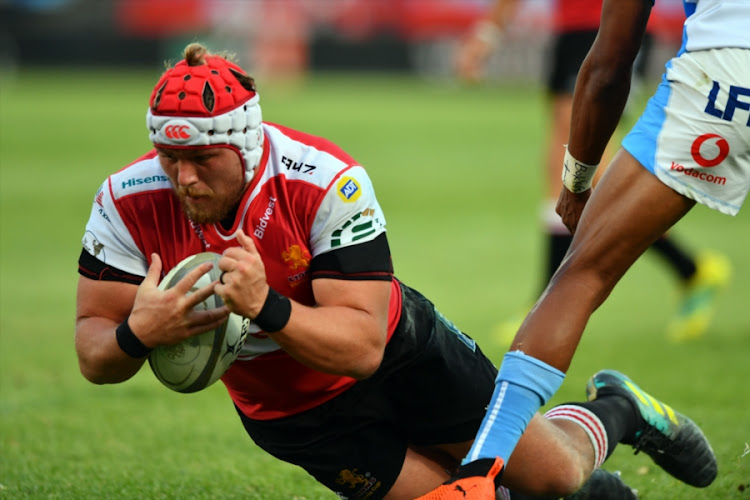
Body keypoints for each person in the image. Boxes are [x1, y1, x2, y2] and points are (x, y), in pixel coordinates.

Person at [75, 43, 717, 500]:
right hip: (295, 415)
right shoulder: (126, 200)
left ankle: (621, 410)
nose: (182, 178)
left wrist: (266, 305)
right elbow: (92, 350)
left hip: (403, 356)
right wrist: (139, 333)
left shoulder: (325, 182)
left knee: (554, 475)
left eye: (202, 158)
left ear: (244, 141)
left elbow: (362, 348)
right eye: (168, 156)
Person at [425, 0, 749, 497]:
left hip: (722, 71)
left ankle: (478, 474)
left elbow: (607, 66)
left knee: (581, 273)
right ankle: (688, 270)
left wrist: (576, 184)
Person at [455, 0, 731, 343]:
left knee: (582, 163)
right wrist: (488, 33)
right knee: (562, 164)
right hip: (572, 30)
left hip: (616, 23)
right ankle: (690, 269)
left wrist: (487, 36)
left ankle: (546, 303)